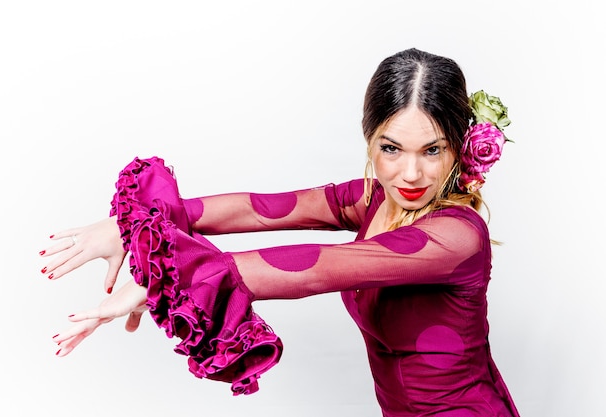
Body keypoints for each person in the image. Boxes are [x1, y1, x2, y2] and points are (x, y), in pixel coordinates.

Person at [39, 48, 520, 416]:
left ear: (460, 147)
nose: (410, 174)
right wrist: (132, 226)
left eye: (431, 150)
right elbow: (264, 210)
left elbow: (321, 266)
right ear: (369, 139)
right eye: (391, 148)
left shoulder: (457, 237)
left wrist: (160, 277)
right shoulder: (374, 197)